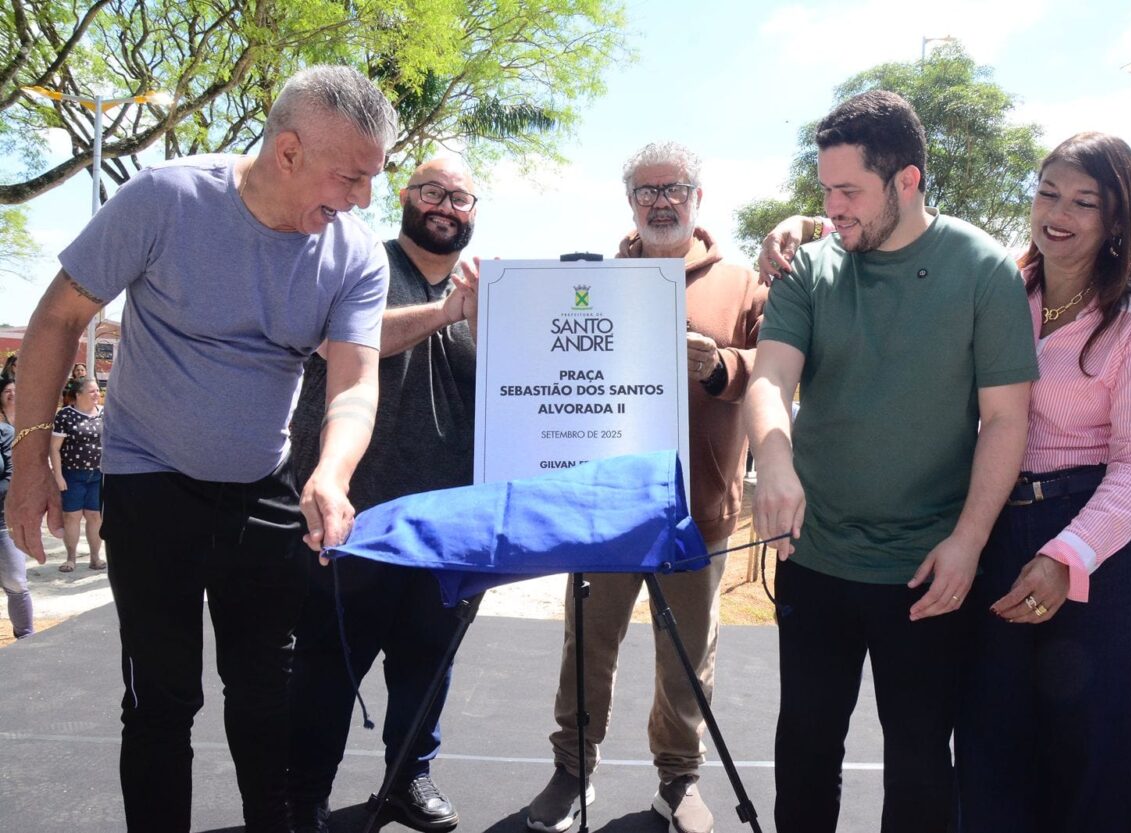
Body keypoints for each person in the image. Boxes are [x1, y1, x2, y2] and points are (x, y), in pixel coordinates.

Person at [6, 65, 395, 833]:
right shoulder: (165, 199)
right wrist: (30, 464)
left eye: (371, 180)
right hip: (148, 482)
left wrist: (332, 472)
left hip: (263, 488)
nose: (362, 199)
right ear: (288, 151)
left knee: (265, 692)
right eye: (351, 177)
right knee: (161, 697)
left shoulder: (355, 255)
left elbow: (355, 383)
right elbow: (56, 318)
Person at [749, 91, 1037, 832]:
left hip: (928, 570)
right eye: (824, 190)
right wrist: (773, 460)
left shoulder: (983, 269)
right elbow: (770, 378)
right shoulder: (807, 267)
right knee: (805, 749)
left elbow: (1006, 419)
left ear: (907, 181)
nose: (832, 207)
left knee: (920, 765)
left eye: (849, 191)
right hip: (815, 558)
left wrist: (968, 541)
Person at [526, 141, 767, 833]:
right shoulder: (594, 282)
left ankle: (678, 779)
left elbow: (777, 368)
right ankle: (572, 769)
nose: (662, 202)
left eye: (675, 189)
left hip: (698, 511)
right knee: (586, 644)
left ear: (698, 197)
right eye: (647, 191)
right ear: (629, 201)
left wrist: (722, 366)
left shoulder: (743, 283)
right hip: (605, 508)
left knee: (689, 656)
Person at [952, 132, 1131, 832]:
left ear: (1116, 220)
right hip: (998, 534)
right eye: (1048, 192)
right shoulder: (1000, 289)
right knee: (991, 757)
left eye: (1085, 202)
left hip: (1097, 555)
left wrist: (1065, 556)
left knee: (1100, 775)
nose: (1058, 213)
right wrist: (803, 227)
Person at [286, 157, 481, 833]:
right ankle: (304, 794)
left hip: (450, 521)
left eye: (460, 197)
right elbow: (337, 343)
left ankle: (407, 779)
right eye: (432, 191)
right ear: (404, 195)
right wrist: (446, 312)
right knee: (327, 663)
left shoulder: (489, 293)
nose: (445, 206)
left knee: (428, 663)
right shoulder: (359, 264)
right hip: (354, 515)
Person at [51, 377, 105, 571]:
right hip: (72, 475)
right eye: (92, 391)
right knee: (71, 517)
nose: (97, 394)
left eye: (97, 390)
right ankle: (71, 558)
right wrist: (58, 476)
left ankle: (95, 558)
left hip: (98, 475)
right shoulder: (65, 415)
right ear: (79, 394)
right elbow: (54, 448)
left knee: (95, 516)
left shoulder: (104, 413)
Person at [0, 377, 35, 639]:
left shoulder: (6, 434)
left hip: (3, 522)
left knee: (16, 581)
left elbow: (12, 477)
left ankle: (25, 639)